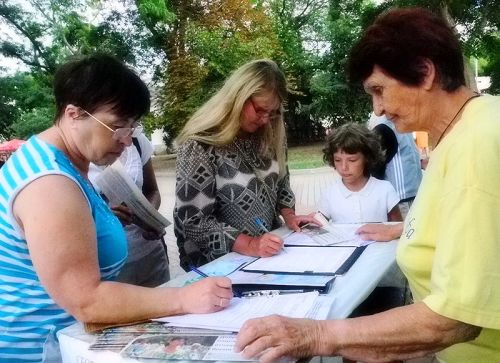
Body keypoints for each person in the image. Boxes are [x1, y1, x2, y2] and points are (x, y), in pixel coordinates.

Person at [235, 8, 499, 362]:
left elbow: (454, 318)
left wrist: (316, 334)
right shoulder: (469, 128)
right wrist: (404, 231)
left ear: (424, 72)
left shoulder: (475, 145)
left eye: (379, 90)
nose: (378, 108)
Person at [0, 54, 233, 362]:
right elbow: (87, 300)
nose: (125, 141)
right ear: (73, 114)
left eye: (132, 128)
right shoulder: (49, 184)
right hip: (39, 350)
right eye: (116, 126)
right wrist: (182, 298)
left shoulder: (66, 164)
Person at [174, 59, 319, 270]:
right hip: (219, 266)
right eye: (260, 110)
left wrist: (290, 216)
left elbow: (282, 185)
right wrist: (249, 244)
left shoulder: (271, 134)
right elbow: (193, 221)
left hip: (266, 256)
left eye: (273, 113)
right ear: (238, 97)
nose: (265, 120)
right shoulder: (201, 144)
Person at [88, 132, 170, 287]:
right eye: (120, 124)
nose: (127, 139)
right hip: (110, 265)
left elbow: (152, 190)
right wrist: (105, 220)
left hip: (150, 254)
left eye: (132, 126)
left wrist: (148, 217)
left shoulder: (138, 140)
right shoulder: (72, 156)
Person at [319, 122, 402, 223]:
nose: (344, 167)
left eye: (352, 160)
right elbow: (319, 228)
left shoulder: (385, 190)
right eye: (337, 160)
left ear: (367, 157)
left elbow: (399, 229)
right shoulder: (329, 194)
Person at [369, 113, 423, 218]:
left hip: (412, 194)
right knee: (405, 232)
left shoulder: (401, 123)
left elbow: (406, 153)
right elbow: (376, 165)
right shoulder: (385, 127)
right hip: (400, 198)